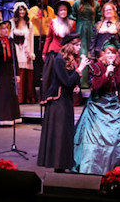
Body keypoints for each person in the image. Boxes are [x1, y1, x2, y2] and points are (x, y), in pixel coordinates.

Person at [73, 43, 120, 174]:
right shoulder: (97, 66)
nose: (110, 56)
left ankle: (113, 167)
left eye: (113, 53)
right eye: (108, 53)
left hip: (113, 105)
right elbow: (96, 86)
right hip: (98, 105)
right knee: (93, 138)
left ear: (117, 54)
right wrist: (107, 73)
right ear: (103, 54)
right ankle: (91, 167)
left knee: (114, 137)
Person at [37, 33, 88, 172]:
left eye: (79, 45)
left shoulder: (71, 59)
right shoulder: (59, 59)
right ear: (70, 45)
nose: (79, 48)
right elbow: (65, 81)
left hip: (65, 100)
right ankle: (58, 166)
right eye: (77, 45)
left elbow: (71, 80)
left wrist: (76, 85)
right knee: (59, 133)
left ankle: (63, 165)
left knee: (66, 133)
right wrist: (80, 69)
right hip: (57, 102)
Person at [42, 1, 76, 97]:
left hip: (66, 52)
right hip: (54, 51)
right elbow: (48, 38)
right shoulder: (53, 22)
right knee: (51, 75)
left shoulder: (72, 23)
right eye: (61, 10)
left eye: (64, 10)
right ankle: (50, 94)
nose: (63, 12)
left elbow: (73, 39)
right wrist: (44, 52)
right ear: (57, 11)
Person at [73, 0, 101, 88]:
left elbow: (99, 17)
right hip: (81, 29)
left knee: (92, 53)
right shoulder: (77, 3)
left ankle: (92, 81)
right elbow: (73, 16)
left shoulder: (96, 4)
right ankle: (82, 81)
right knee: (82, 53)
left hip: (92, 28)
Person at [29, 0, 55, 101]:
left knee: (46, 61)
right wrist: (35, 17)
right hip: (35, 37)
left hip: (46, 37)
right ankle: (36, 85)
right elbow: (28, 21)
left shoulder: (50, 10)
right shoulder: (33, 10)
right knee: (37, 62)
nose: (45, 0)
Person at [10, 2, 35, 104]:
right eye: (20, 10)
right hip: (15, 49)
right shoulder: (11, 23)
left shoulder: (29, 23)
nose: (22, 12)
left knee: (26, 73)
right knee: (17, 72)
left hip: (26, 50)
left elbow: (31, 39)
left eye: (23, 10)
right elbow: (10, 37)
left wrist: (31, 52)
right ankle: (17, 97)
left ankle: (27, 97)